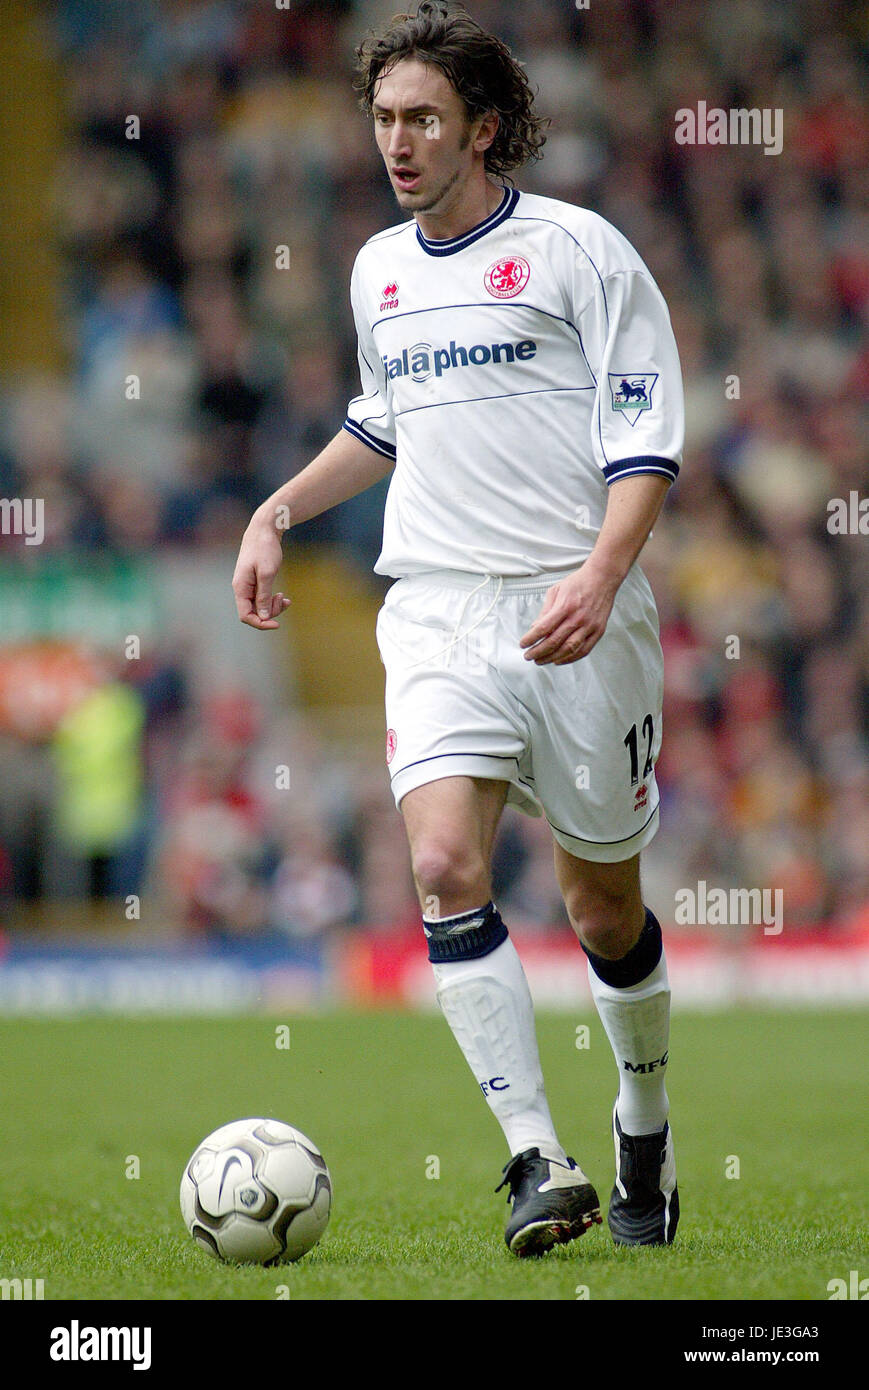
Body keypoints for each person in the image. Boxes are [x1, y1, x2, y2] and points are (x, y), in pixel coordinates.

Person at [232, 1, 683, 1257]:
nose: (398, 140)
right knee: (439, 866)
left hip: (573, 602)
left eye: (422, 116)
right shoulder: (378, 268)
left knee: (601, 908)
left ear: (482, 126)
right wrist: (276, 508)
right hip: (432, 603)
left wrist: (599, 574)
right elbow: (384, 422)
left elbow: (646, 436)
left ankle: (640, 1125)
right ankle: (536, 1157)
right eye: (382, 118)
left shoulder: (578, 252)